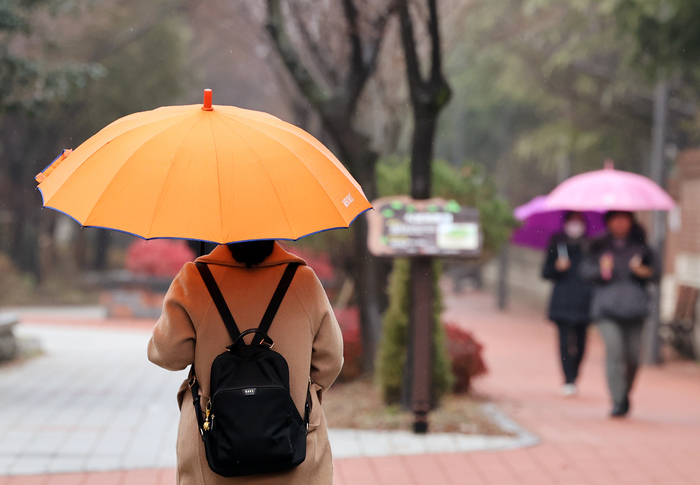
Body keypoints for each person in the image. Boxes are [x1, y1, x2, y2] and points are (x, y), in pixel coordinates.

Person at [148, 240, 344, 484]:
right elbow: (330, 361)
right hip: (294, 449)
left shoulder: (195, 279)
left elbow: (168, 354)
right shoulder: (303, 280)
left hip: (212, 452)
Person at [579, 211, 658, 417]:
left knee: (633, 356)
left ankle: (624, 393)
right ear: (609, 222)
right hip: (606, 309)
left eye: (625, 218)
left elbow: (656, 273)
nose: (621, 223)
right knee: (614, 350)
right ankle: (617, 399)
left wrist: (642, 271)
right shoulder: (598, 246)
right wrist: (602, 271)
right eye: (616, 219)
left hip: (635, 308)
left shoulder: (642, 247)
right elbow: (585, 273)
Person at [542, 212, 592, 397]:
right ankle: (568, 378)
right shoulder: (557, 244)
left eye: (578, 221)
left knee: (581, 342)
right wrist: (557, 267)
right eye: (572, 221)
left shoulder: (590, 245)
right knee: (564, 342)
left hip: (584, 301)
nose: (575, 225)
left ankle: (575, 372)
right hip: (562, 300)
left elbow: (594, 273)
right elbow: (545, 272)